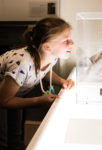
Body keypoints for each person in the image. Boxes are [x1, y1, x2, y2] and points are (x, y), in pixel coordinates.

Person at [0, 16, 74, 150]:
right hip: (4, 96)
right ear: (47, 46)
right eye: (65, 40)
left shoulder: (51, 56)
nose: (72, 43)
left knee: (15, 136)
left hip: (13, 95)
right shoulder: (21, 63)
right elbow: (3, 100)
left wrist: (61, 81)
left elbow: (44, 71)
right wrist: (38, 101)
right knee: (2, 140)